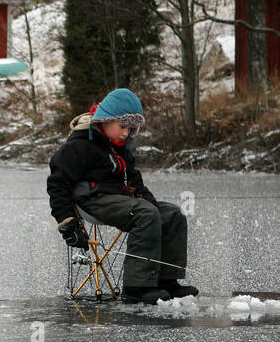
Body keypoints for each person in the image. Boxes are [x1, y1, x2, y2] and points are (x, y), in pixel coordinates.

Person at [46, 87, 197, 305]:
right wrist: (68, 224)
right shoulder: (79, 145)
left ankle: (166, 281)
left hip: (120, 199)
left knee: (172, 214)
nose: (126, 133)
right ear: (106, 120)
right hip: (91, 201)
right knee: (145, 213)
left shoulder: (120, 147)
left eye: (131, 128)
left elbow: (134, 181)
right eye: (123, 126)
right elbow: (57, 184)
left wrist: (152, 202)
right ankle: (136, 288)